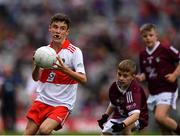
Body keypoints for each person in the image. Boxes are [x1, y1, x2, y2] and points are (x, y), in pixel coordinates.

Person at [24, 13, 87, 135]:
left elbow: (83, 79)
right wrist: (37, 65)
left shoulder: (74, 52)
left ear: (67, 32)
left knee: (44, 130)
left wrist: (65, 70)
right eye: (55, 27)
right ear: (50, 28)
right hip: (42, 100)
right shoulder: (43, 52)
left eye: (62, 28)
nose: (58, 31)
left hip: (62, 104)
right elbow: (35, 78)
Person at [136, 23, 180, 134]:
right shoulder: (142, 54)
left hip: (167, 89)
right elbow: (146, 73)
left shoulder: (166, 48)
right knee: (163, 126)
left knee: (160, 117)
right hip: (154, 92)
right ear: (142, 38)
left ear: (156, 36)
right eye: (145, 36)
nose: (148, 38)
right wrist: (141, 77)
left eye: (151, 35)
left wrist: (174, 75)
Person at [97, 59, 148, 135]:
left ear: (133, 77)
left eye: (125, 76)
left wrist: (122, 124)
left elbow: (135, 115)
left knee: (126, 127)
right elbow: (113, 103)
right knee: (105, 134)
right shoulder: (114, 87)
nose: (121, 78)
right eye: (119, 74)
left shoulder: (135, 90)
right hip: (119, 116)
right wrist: (105, 116)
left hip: (139, 118)